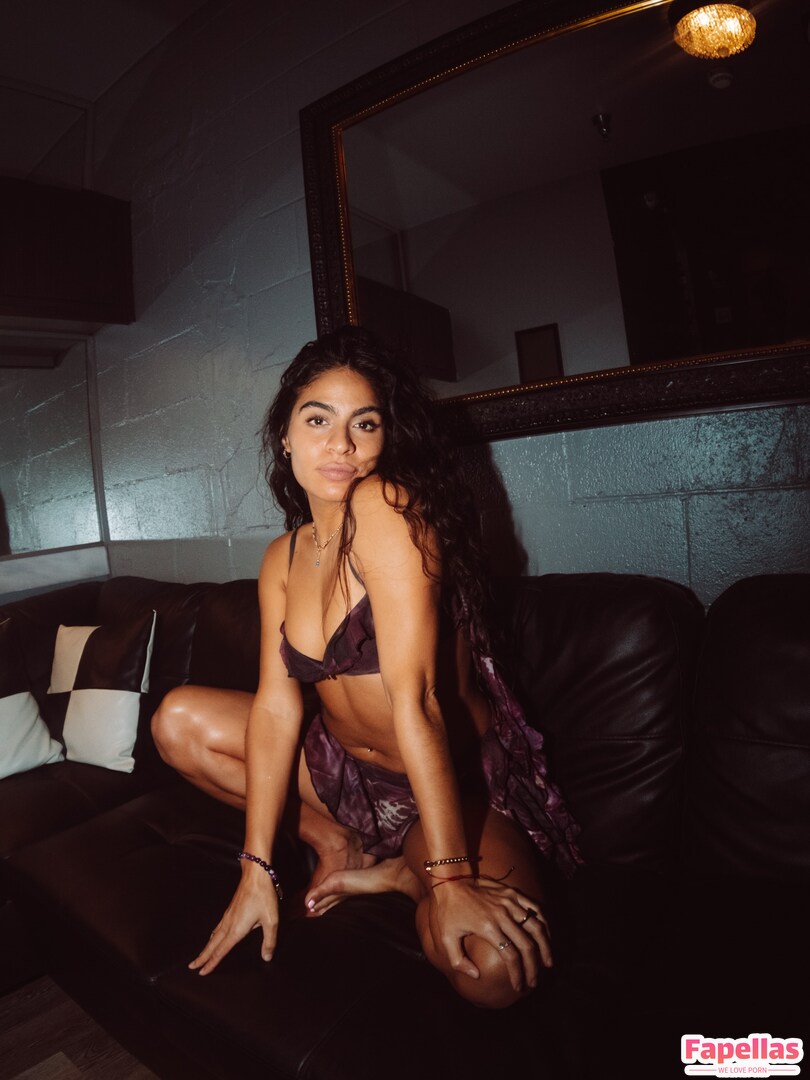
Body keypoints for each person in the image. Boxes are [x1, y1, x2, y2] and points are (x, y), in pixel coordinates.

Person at [152, 327, 580, 1009]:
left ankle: (407, 874)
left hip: (447, 785)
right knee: (176, 722)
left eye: (365, 423)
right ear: (285, 436)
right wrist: (256, 867)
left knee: (493, 971)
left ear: (387, 439)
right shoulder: (282, 557)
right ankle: (342, 845)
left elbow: (419, 701)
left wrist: (447, 881)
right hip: (344, 778)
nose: (342, 445)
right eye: (318, 419)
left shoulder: (388, 508)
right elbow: (275, 707)